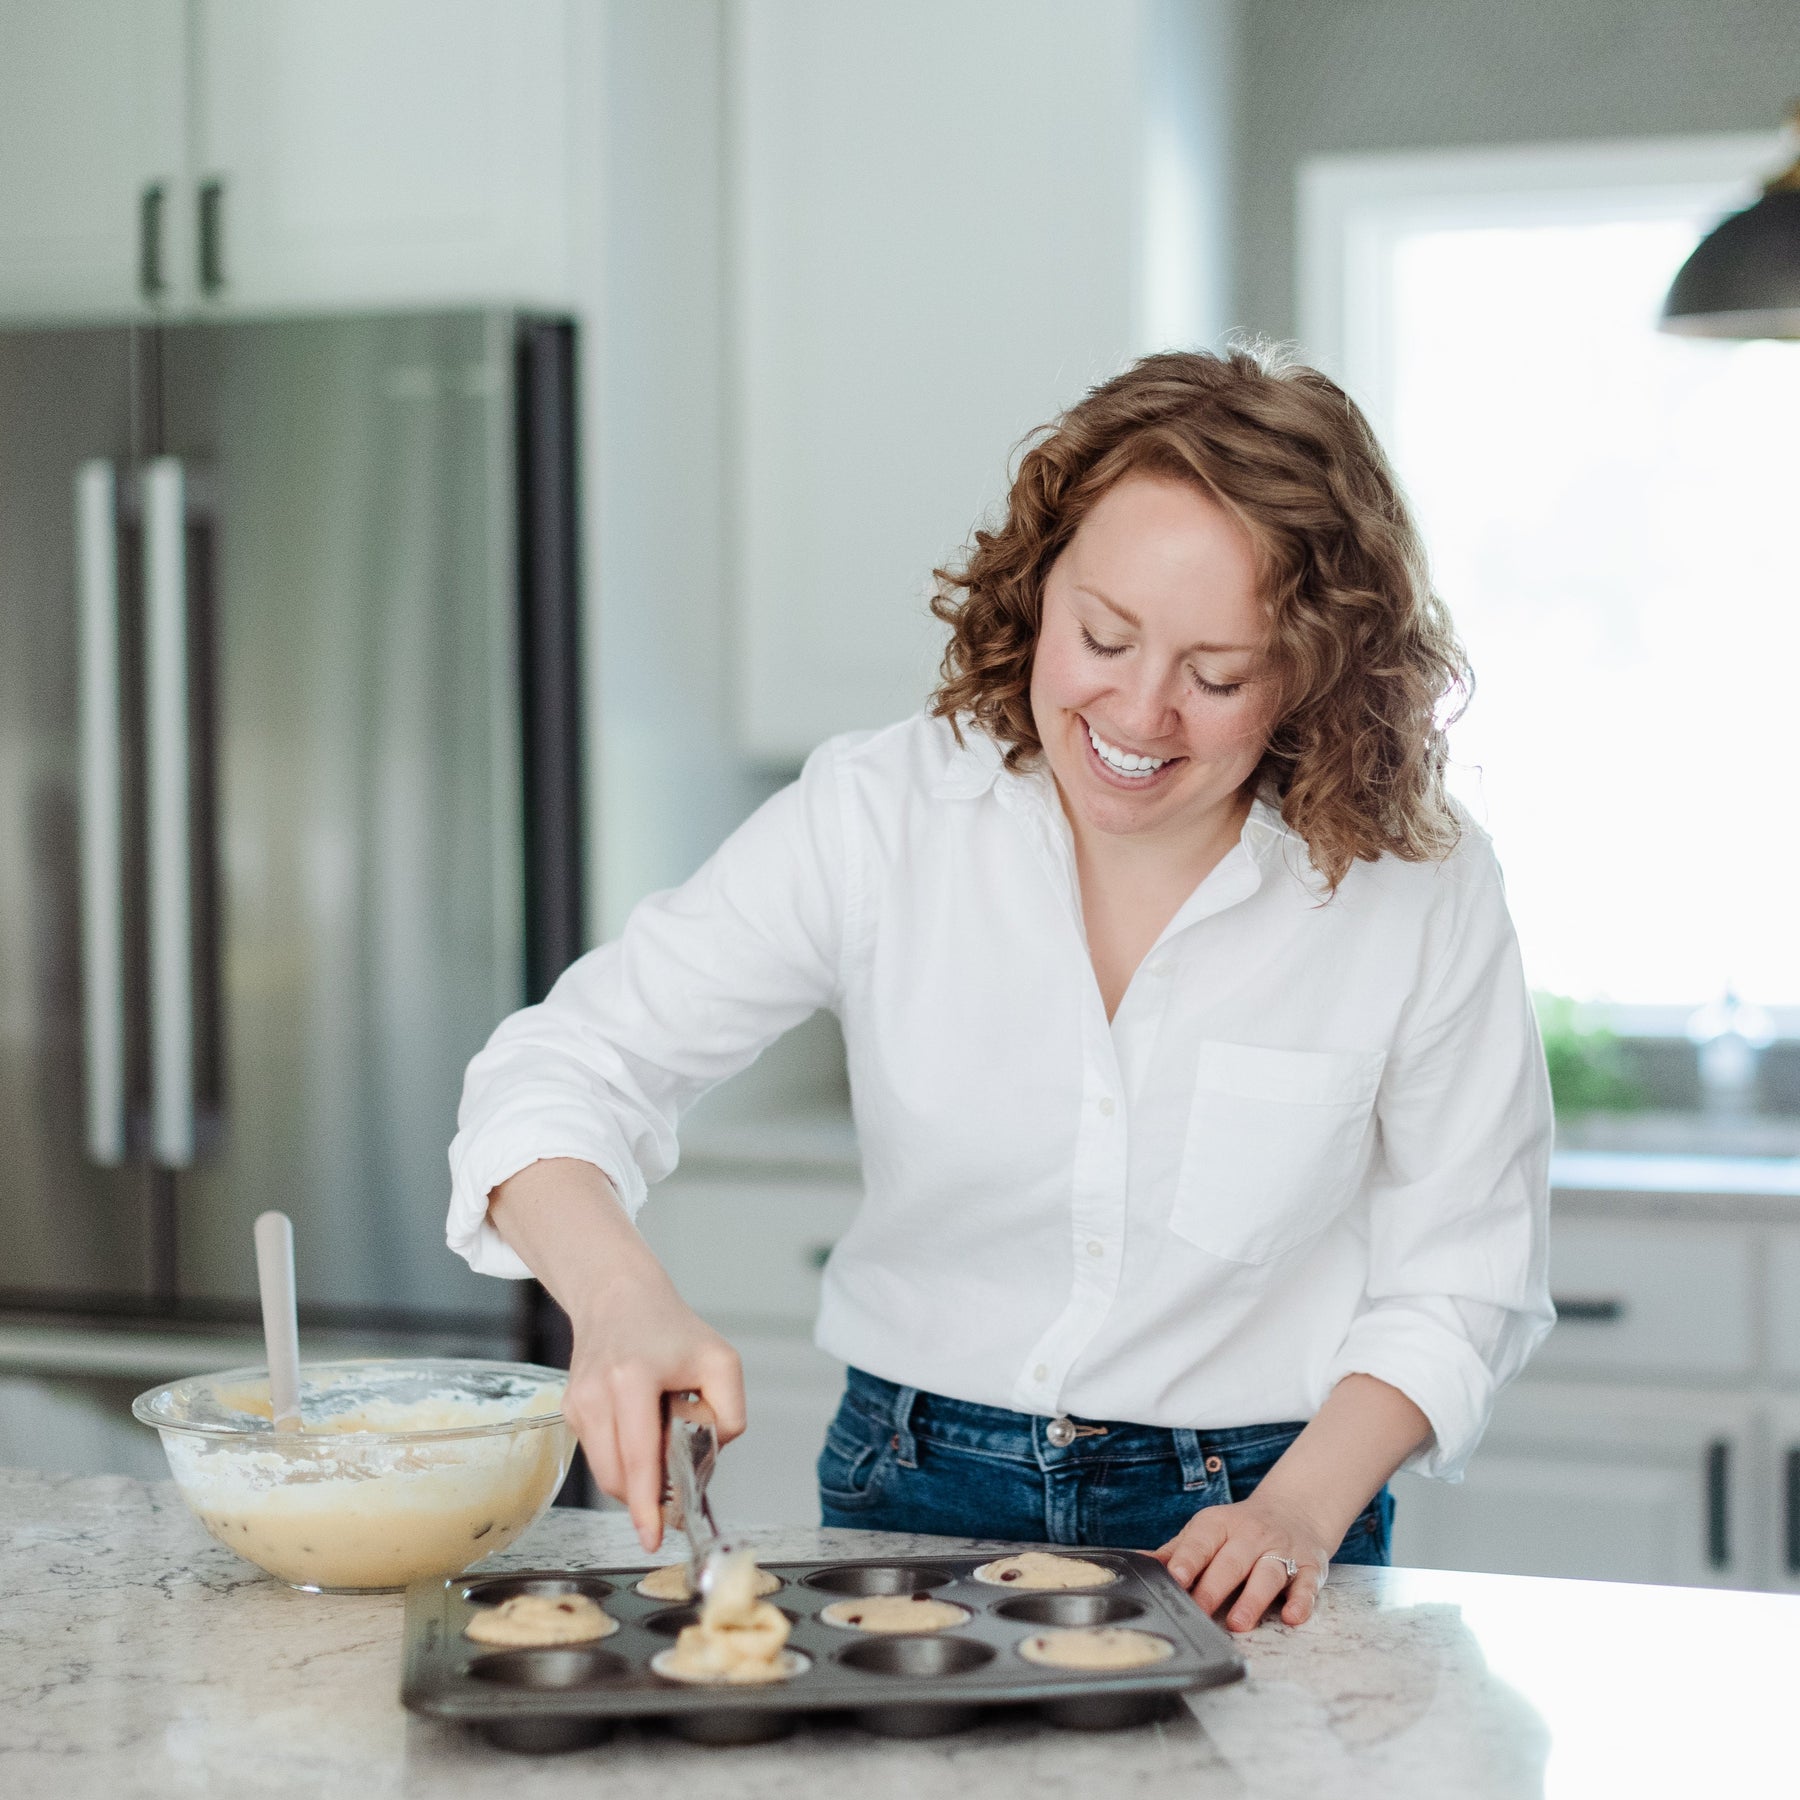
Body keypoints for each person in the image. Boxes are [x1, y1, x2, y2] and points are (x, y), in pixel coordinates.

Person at [447, 345, 1553, 1633]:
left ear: (1317, 670)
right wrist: (618, 1300)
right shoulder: (883, 813)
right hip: (912, 1481)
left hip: (1264, 1504)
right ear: (1037, 590)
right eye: (1104, 637)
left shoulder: (1416, 888)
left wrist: (1300, 1510)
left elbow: (1466, 1274)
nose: (1140, 713)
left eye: (1217, 674)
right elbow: (564, 1068)